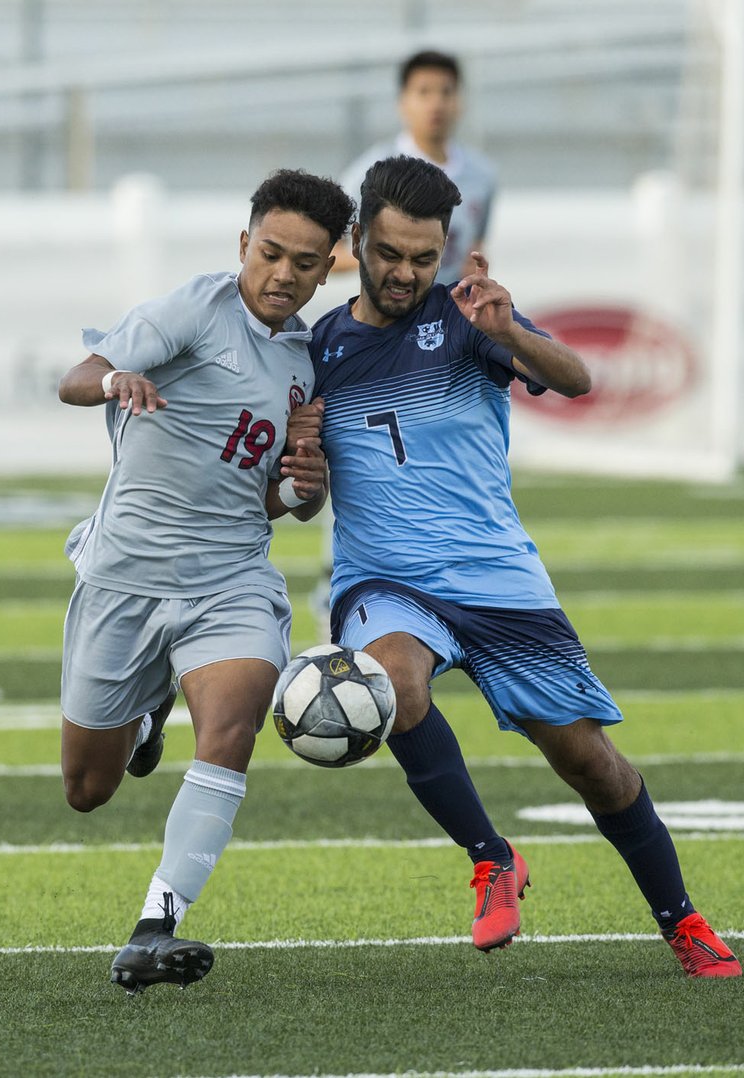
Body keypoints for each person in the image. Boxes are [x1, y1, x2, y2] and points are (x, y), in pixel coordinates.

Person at [307, 155, 740, 978]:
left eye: (423, 257)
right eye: (390, 253)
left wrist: (509, 332)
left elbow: (576, 381)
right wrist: (300, 482)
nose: (405, 273)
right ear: (358, 240)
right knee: (391, 686)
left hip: (496, 577)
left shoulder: (471, 315)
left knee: (591, 766)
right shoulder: (318, 349)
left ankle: (682, 920)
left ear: (446, 251)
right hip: (384, 580)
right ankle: (490, 855)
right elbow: (296, 500)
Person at [57, 168, 355, 995]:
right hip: (125, 579)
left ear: (328, 267)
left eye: (304, 262)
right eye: (270, 253)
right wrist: (115, 379)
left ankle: (156, 924)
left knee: (232, 725)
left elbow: (273, 495)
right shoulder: (192, 309)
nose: (283, 274)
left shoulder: (308, 358)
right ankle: (151, 705)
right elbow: (74, 379)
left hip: (230, 578)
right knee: (87, 789)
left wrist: (302, 489)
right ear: (242, 246)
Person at [332, 49, 496, 284]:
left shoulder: (482, 175)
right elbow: (330, 254)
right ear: (403, 102)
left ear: (460, 102)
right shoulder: (370, 171)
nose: (436, 103)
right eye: (424, 92)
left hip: (450, 311)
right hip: (391, 313)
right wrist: (384, 257)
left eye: (446, 92)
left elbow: (475, 245)